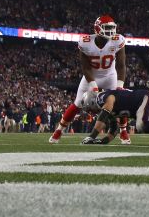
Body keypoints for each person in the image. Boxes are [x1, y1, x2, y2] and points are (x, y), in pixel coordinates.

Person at [51, 15, 131, 144]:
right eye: (107, 28)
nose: (111, 31)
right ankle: (59, 130)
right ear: (97, 29)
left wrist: (120, 85)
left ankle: (123, 131)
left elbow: (121, 65)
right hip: (91, 76)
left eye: (112, 28)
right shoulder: (85, 42)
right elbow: (85, 67)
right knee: (77, 103)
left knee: (119, 103)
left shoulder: (118, 40)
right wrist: (93, 85)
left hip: (110, 76)